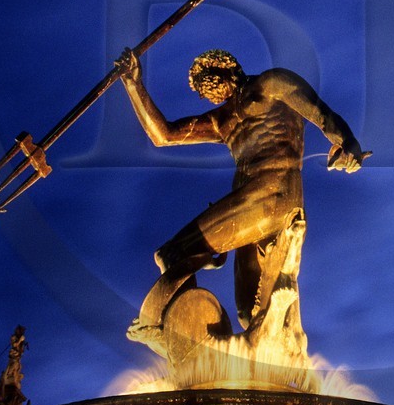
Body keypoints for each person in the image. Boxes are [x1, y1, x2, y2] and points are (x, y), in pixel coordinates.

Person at [114, 48, 367, 340]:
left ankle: (173, 331)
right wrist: (133, 84)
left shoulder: (272, 84)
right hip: (248, 203)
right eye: (200, 88)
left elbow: (321, 113)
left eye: (205, 80)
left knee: (172, 252)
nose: (204, 91)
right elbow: (164, 136)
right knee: (250, 313)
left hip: (274, 191)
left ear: (226, 66)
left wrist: (347, 142)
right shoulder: (219, 120)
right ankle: (207, 346)